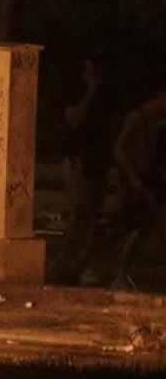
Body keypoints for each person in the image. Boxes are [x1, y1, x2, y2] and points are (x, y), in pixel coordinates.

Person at [47, 49, 119, 285]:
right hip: (80, 162)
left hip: (96, 161)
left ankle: (78, 264)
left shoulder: (105, 97)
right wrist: (91, 89)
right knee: (81, 215)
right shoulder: (78, 92)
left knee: (90, 216)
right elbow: (74, 118)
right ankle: (64, 262)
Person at [108, 83, 166, 290]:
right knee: (144, 226)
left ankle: (121, 274)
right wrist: (133, 178)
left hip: (147, 179)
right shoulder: (137, 118)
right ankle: (118, 273)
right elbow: (119, 149)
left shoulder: (153, 121)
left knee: (147, 228)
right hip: (138, 181)